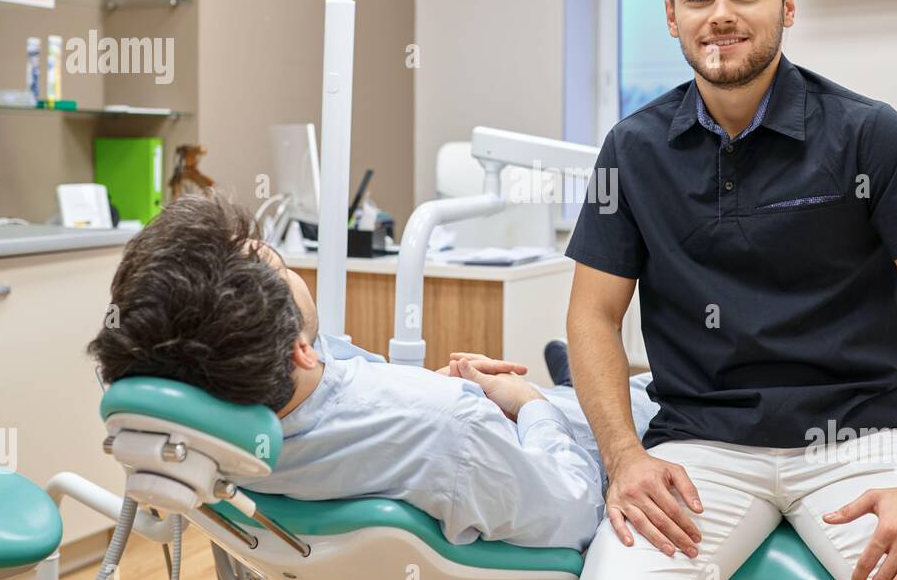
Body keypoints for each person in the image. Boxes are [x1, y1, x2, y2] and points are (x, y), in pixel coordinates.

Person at [564, 0, 897, 580]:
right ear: (672, 17)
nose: (722, 15)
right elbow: (592, 314)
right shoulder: (634, 150)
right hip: (699, 446)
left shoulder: (868, 135)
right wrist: (625, 458)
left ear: (787, 4)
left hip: (857, 442)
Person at [87, 193, 658, 553]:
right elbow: (575, 507)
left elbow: (352, 390)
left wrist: (435, 385)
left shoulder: (221, 436)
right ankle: (563, 385)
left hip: (469, 432)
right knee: (642, 389)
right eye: (284, 267)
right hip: (599, 439)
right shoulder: (447, 426)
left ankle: (564, 377)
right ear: (299, 354)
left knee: (566, 377)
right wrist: (526, 402)